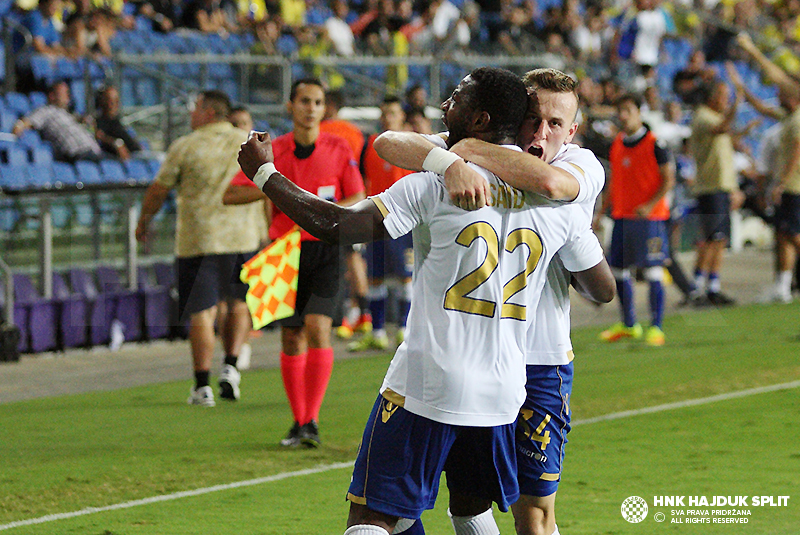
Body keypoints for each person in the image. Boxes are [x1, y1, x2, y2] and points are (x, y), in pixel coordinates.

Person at [239, 65, 600, 535]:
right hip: (503, 391)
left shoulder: (439, 186)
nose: (445, 104)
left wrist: (263, 173)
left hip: (430, 382)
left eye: (456, 97)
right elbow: (601, 284)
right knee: (470, 509)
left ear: (480, 120)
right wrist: (452, 159)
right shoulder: (556, 207)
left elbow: (336, 225)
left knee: (373, 517)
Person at [374, 67, 614, 535]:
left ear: (573, 130)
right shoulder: (467, 152)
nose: (541, 133)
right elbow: (387, 142)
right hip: (468, 356)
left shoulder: (580, 165)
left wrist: (460, 153)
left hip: (540, 360)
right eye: (532, 119)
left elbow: (550, 185)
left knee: (532, 506)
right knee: (461, 500)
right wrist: (450, 162)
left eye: (555, 124)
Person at [228, 78, 366, 448]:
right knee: (291, 336)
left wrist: (331, 214)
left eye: (317, 102)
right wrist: (266, 184)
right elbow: (230, 193)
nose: (311, 108)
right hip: (282, 250)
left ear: (324, 108)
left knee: (318, 326)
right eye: (304, 101)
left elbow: (357, 194)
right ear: (290, 106)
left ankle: (313, 421)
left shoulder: (338, 147)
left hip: (325, 246)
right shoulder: (273, 152)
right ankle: (299, 421)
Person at [135, 90, 260, 407]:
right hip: (242, 237)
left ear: (207, 111)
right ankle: (231, 367)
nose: (191, 114)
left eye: (194, 108)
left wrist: (144, 221)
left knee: (201, 312)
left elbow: (159, 189)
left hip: (198, 240)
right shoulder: (248, 142)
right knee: (239, 304)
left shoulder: (185, 145)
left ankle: (202, 386)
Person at [597, 93, 674, 346]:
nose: (623, 115)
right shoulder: (617, 143)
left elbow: (668, 179)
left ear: (639, 113)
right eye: (620, 110)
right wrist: (600, 213)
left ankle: (657, 327)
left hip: (649, 219)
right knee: (618, 270)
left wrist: (650, 205)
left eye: (628, 110)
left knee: (652, 270)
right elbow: (614, 182)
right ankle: (629, 324)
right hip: (622, 216)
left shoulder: (655, 143)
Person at [734, 33, 800, 303]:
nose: (777, 92)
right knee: (784, 234)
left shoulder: (797, 117)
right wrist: (742, 88)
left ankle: (784, 285)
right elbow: (762, 107)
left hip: (795, 185)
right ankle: (782, 286)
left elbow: (797, 151)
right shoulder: (790, 115)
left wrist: (752, 48)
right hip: (790, 185)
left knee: (792, 234)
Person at [348, 95, 414, 352]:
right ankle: (376, 332)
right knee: (375, 277)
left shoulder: (413, 144)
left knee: (404, 277)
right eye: (384, 113)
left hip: (405, 219)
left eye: (393, 113)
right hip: (376, 219)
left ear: (402, 118)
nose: (388, 117)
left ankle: (403, 330)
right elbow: (363, 182)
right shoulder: (370, 145)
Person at [318, 89, 372, 341]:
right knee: (354, 259)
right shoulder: (355, 132)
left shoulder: (321, 130)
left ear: (327, 105)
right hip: (355, 200)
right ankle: (363, 314)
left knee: (339, 261)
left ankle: (343, 315)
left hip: (331, 203)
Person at [689, 78, 744, 306]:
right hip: (710, 188)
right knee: (712, 240)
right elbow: (721, 128)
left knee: (717, 240)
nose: (727, 100)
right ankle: (698, 289)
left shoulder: (710, 117)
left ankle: (710, 287)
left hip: (719, 188)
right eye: (724, 95)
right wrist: (738, 102)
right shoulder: (703, 116)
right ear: (712, 97)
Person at [13, 80, 103, 163]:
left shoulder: (69, 114)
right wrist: (19, 126)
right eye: (64, 93)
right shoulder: (46, 110)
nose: (68, 96)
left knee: (114, 162)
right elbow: (28, 121)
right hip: (79, 152)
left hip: (94, 151)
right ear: (52, 96)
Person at [94, 85, 142, 161]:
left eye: (116, 101)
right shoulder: (99, 122)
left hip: (138, 155)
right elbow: (99, 135)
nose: (115, 105)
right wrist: (117, 144)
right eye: (111, 101)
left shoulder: (118, 121)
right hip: (124, 159)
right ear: (103, 102)